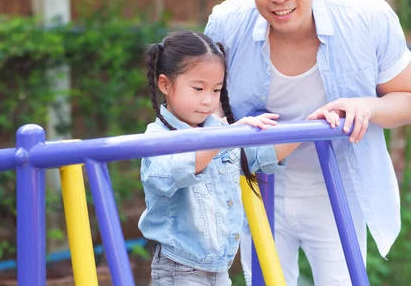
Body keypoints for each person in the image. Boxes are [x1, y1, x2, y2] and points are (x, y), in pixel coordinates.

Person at [204, 0, 411, 285]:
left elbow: (410, 101)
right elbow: (210, 107)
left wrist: (365, 106)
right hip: (257, 188)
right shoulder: (227, 23)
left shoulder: (366, 17)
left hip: (336, 187)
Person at [138, 30, 340, 286]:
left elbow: (262, 155)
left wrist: (309, 125)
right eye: (198, 88)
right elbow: (177, 170)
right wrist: (229, 135)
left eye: (216, 90)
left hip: (220, 269)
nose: (208, 100)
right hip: (179, 269)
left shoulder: (220, 132)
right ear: (165, 84)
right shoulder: (157, 137)